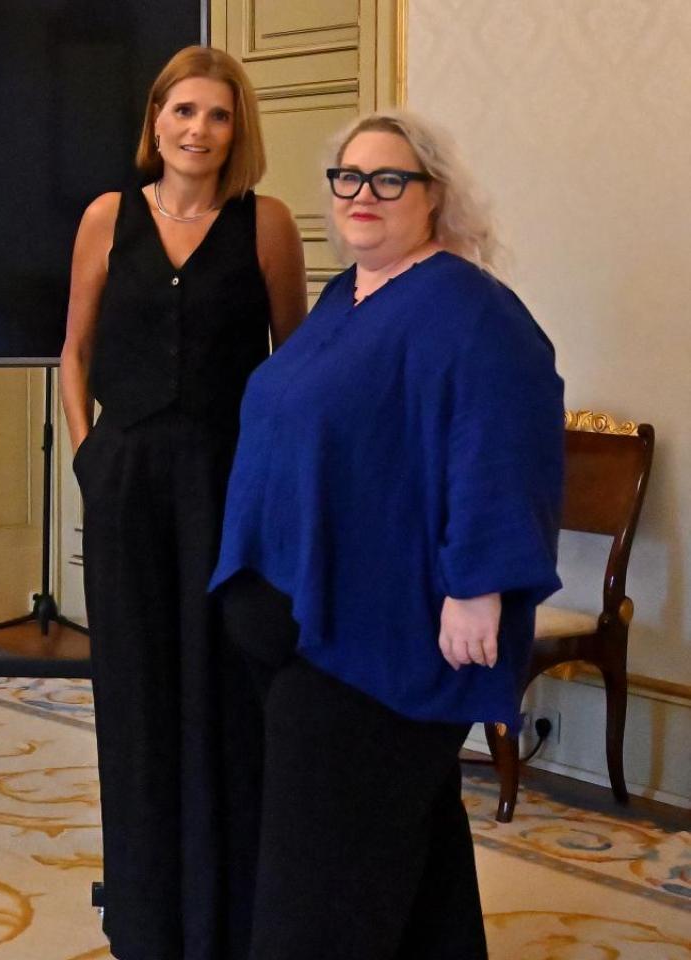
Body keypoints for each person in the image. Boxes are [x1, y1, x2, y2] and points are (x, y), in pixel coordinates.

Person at [211, 108, 563, 960]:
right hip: (310, 624)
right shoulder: (349, 293)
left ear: (433, 194)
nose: (362, 196)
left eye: (389, 179)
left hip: (383, 638)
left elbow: (500, 443)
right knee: (408, 845)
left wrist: (478, 587)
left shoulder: (472, 310)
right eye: (347, 178)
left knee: (321, 876)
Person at [58, 46, 306, 960]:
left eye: (219, 115)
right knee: (133, 695)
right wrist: (90, 459)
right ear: (156, 120)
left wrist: (279, 482)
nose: (198, 130)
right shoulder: (105, 218)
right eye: (184, 111)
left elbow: (298, 369)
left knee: (226, 691)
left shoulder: (267, 224)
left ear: (238, 131)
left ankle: (228, 910)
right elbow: (74, 353)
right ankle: (146, 912)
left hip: (233, 488)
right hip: (123, 483)